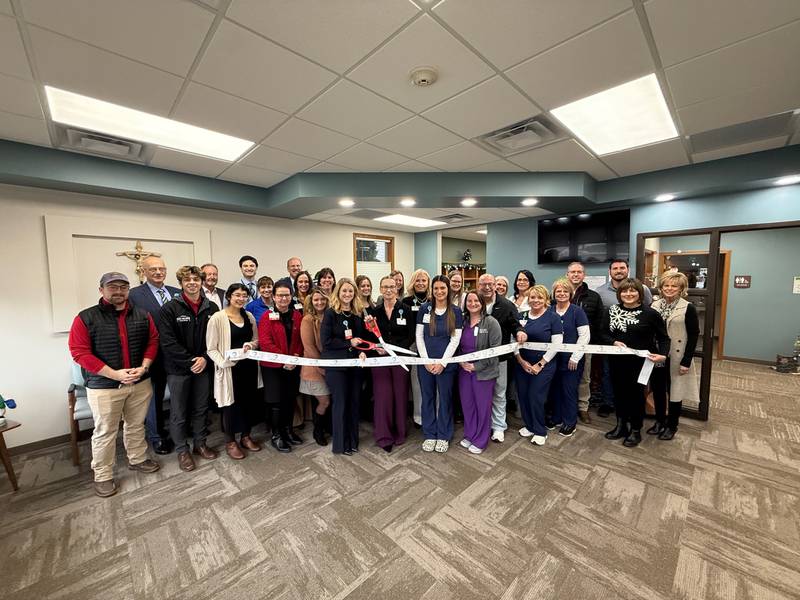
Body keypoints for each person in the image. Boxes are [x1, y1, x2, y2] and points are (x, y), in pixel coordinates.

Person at [68, 272, 161, 497]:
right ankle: (103, 475)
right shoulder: (85, 318)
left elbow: (153, 341)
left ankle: (137, 459)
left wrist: (145, 367)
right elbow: (79, 353)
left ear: (128, 290)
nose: (118, 291)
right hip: (104, 387)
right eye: (113, 287)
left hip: (140, 381)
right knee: (105, 431)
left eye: (123, 287)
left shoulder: (142, 314)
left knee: (136, 424)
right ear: (101, 290)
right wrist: (115, 375)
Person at [158, 265, 219, 472]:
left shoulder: (211, 308)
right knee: (179, 411)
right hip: (179, 370)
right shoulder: (169, 309)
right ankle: (182, 450)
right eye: (187, 280)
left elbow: (215, 340)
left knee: (201, 408)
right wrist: (192, 361)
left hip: (203, 366)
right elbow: (168, 343)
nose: (192, 283)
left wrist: (204, 359)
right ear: (181, 283)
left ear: (202, 282)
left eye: (196, 279)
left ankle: (200, 444)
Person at [599, 278, 669, 448]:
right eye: (624, 291)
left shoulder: (650, 313)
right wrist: (613, 342)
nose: (628, 294)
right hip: (617, 361)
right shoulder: (611, 311)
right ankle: (621, 425)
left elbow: (663, 338)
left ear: (639, 293)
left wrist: (663, 355)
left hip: (641, 364)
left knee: (636, 396)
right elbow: (602, 334)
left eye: (633, 291)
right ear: (619, 293)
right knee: (619, 394)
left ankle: (636, 430)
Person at [128, 255, 180, 455]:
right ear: (144, 271)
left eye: (161, 269)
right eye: (153, 269)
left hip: (176, 355)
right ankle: (157, 436)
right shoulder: (134, 295)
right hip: (152, 356)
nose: (158, 272)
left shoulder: (177, 292)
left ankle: (179, 429)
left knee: (180, 395)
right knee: (154, 398)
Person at [206, 283, 261, 459]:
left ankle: (246, 436)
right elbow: (211, 349)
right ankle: (230, 441)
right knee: (229, 406)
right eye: (237, 295)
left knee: (248, 403)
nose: (241, 299)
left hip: (248, 367)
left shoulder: (249, 316)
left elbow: (256, 339)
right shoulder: (217, 318)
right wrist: (223, 363)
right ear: (229, 296)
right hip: (229, 370)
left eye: (244, 296)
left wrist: (250, 345)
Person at [594, 258, 652, 418]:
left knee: (634, 378)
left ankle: (634, 408)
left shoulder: (642, 289)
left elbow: (645, 311)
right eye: (615, 268)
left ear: (628, 270)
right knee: (608, 373)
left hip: (636, 344)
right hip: (612, 343)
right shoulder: (600, 291)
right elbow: (601, 320)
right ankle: (608, 403)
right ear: (610, 271)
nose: (618, 271)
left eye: (622, 268)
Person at [477, 273, 527, 443]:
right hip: (477, 358)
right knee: (481, 394)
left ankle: (498, 427)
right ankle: (482, 424)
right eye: (483, 284)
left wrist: (520, 332)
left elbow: (516, 324)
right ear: (479, 285)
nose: (487, 287)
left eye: (490, 284)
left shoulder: (507, 305)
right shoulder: (473, 303)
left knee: (499, 392)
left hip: (500, 359)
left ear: (495, 285)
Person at [416, 274, 463, 453]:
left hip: (446, 364)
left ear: (448, 289)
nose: (439, 291)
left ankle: (443, 435)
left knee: (445, 399)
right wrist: (427, 360)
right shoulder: (425, 309)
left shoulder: (456, 311)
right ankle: (429, 434)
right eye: (436, 288)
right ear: (432, 290)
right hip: (426, 363)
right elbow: (419, 336)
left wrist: (442, 363)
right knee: (427, 398)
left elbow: (455, 339)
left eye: (443, 288)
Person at [650, 271, 699, 440]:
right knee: (657, 389)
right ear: (661, 288)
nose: (669, 289)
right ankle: (659, 421)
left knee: (675, 391)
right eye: (666, 285)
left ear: (681, 289)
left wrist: (686, 361)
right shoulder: (654, 305)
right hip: (657, 355)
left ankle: (672, 425)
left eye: (674, 286)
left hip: (677, 357)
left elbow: (693, 335)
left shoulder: (687, 307)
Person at [321, 278, 367, 455]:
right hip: (336, 367)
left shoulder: (357, 314)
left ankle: (353, 441)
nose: (347, 294)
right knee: (340, 404)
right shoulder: (331, 313)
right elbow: (326, 342)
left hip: (354, 366)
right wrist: (349, 343)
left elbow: (360, 340)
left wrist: (362, 351)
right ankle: (340, 445)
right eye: (344, 291)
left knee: (354, 403)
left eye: (350, 291)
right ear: (338, 293)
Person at [368, 275, 414, 452]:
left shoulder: (406, 309)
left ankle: (399, 432)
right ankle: (384, 436)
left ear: (397, 289)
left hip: (400, 358)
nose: (388, 290)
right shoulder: (375, 312)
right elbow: (370, 336)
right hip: (379, 359)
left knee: (400, 395)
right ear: (380, 289)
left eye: (392, 286)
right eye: (385, 287)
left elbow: (410, 335)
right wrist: (377, 348)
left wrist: (393, 349)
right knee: (382, 397)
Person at [258, 280, 304, 453]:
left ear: (291, 296)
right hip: (273, 366)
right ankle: (276, 435)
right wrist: (285, 360)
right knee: (276, 401)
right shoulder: (266, 317)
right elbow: (265, 343)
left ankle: (288, 430)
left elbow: (300, 340)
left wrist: (296, 357)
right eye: (280, 295)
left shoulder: (297, 316)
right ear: (274, 297)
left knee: (290, 398)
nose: (283, 298)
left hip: (293, 364)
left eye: (286, 295)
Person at [515, 285, 563, 446]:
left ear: (546, 300)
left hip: (544, 365)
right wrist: (521, 361)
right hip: (523, 364)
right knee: (523, 395)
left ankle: (540, 430)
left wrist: (540, 364)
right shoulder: (521, 316)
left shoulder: (553, 317)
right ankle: (529, 425)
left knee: (536, 397)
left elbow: (556, 345)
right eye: (533, 297)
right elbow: (512, 340)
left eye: (539, 298)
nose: (535, 300)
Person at [457, 290, 501, 454]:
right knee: (468, 405)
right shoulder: (462, 321)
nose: (473, 304)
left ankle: (481, 440)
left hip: (484, 372)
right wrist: (461, 361)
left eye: (476, 301)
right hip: (464, 371)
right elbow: (457, 345)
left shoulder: (491, 322)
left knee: (482, 406)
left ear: (482, 303)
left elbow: (495, 351)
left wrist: (476, 366)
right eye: (469, 301)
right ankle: (470, 434)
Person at [547, 278, 590, 438]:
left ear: (570, 294)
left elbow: (584, 336)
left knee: (569, 391)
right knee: (555, 390)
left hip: (572, 361)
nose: (562, 294)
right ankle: (557, 418)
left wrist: (575, 357)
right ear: (554, 293)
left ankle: (570, 422)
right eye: (558, 291)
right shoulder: (550, 310)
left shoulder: (577, 311)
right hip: (553, 359)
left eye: (565, 291)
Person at [567, 261, 604, 424]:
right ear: (567, 275)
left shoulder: (594, 297)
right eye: (572, 272)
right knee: (564, 376)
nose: (575, 274)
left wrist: (590, 342)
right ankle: (566, 406)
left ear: (584, 275)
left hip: (585, 345)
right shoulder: (559, 293)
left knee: (584, 378)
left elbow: (599, 321)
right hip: (563, 345)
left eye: (579, 272)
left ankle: (583, 407)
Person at [300, 288, 332, 446]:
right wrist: (322, 368)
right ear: (311, 302)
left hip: (330, 365)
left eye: (323, 300)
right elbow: (309, 347)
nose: (320, 302)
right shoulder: (307, 319)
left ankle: (326, 426)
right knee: (324, 401)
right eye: (316, 300)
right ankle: (317, 430)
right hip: (314, 367)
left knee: (328, 400)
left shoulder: (330, 317)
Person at [402, 269, 431, 428]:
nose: (421, 283)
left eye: (424, 280)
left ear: (428, 283)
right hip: (412, 346)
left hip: (431, 345)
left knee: (430, 381)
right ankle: (418, 416)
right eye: (418, 280)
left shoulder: (434, 300)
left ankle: (430, 412)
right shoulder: (405, 302)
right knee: (416, 383)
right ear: (413, 282)